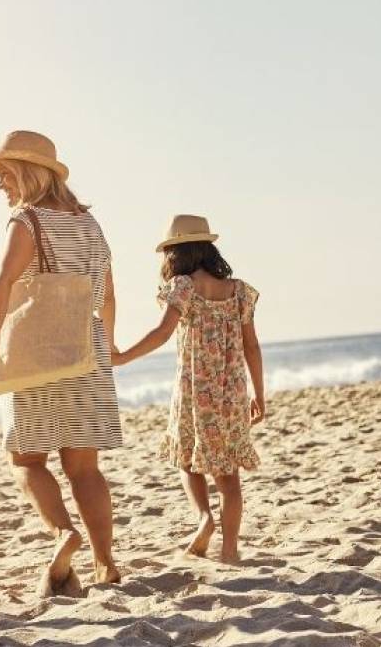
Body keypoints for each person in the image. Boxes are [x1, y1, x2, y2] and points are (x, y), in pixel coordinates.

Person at [0, 130, 124, 593]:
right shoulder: (90, 224)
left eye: (4, 176)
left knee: (26, 458)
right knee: (85, 467)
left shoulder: (27, 219)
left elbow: (4, 282)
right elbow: (110, 295)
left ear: (24, 172)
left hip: (40, 352)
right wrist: (109, 347)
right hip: (88, 349)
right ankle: (105, 562)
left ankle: (63, 533)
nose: (0, 186)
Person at [112, 214, 264, 564]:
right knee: (229, 475)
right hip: (232, 391)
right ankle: (229, 551)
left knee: (186, 459)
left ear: (176, 253)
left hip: (194, 389)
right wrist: (259, 393)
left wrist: (123, 358)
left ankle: (204, 518)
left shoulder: (182, 286)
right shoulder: (239, 290)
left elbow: (162, 333)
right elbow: (252, 347)